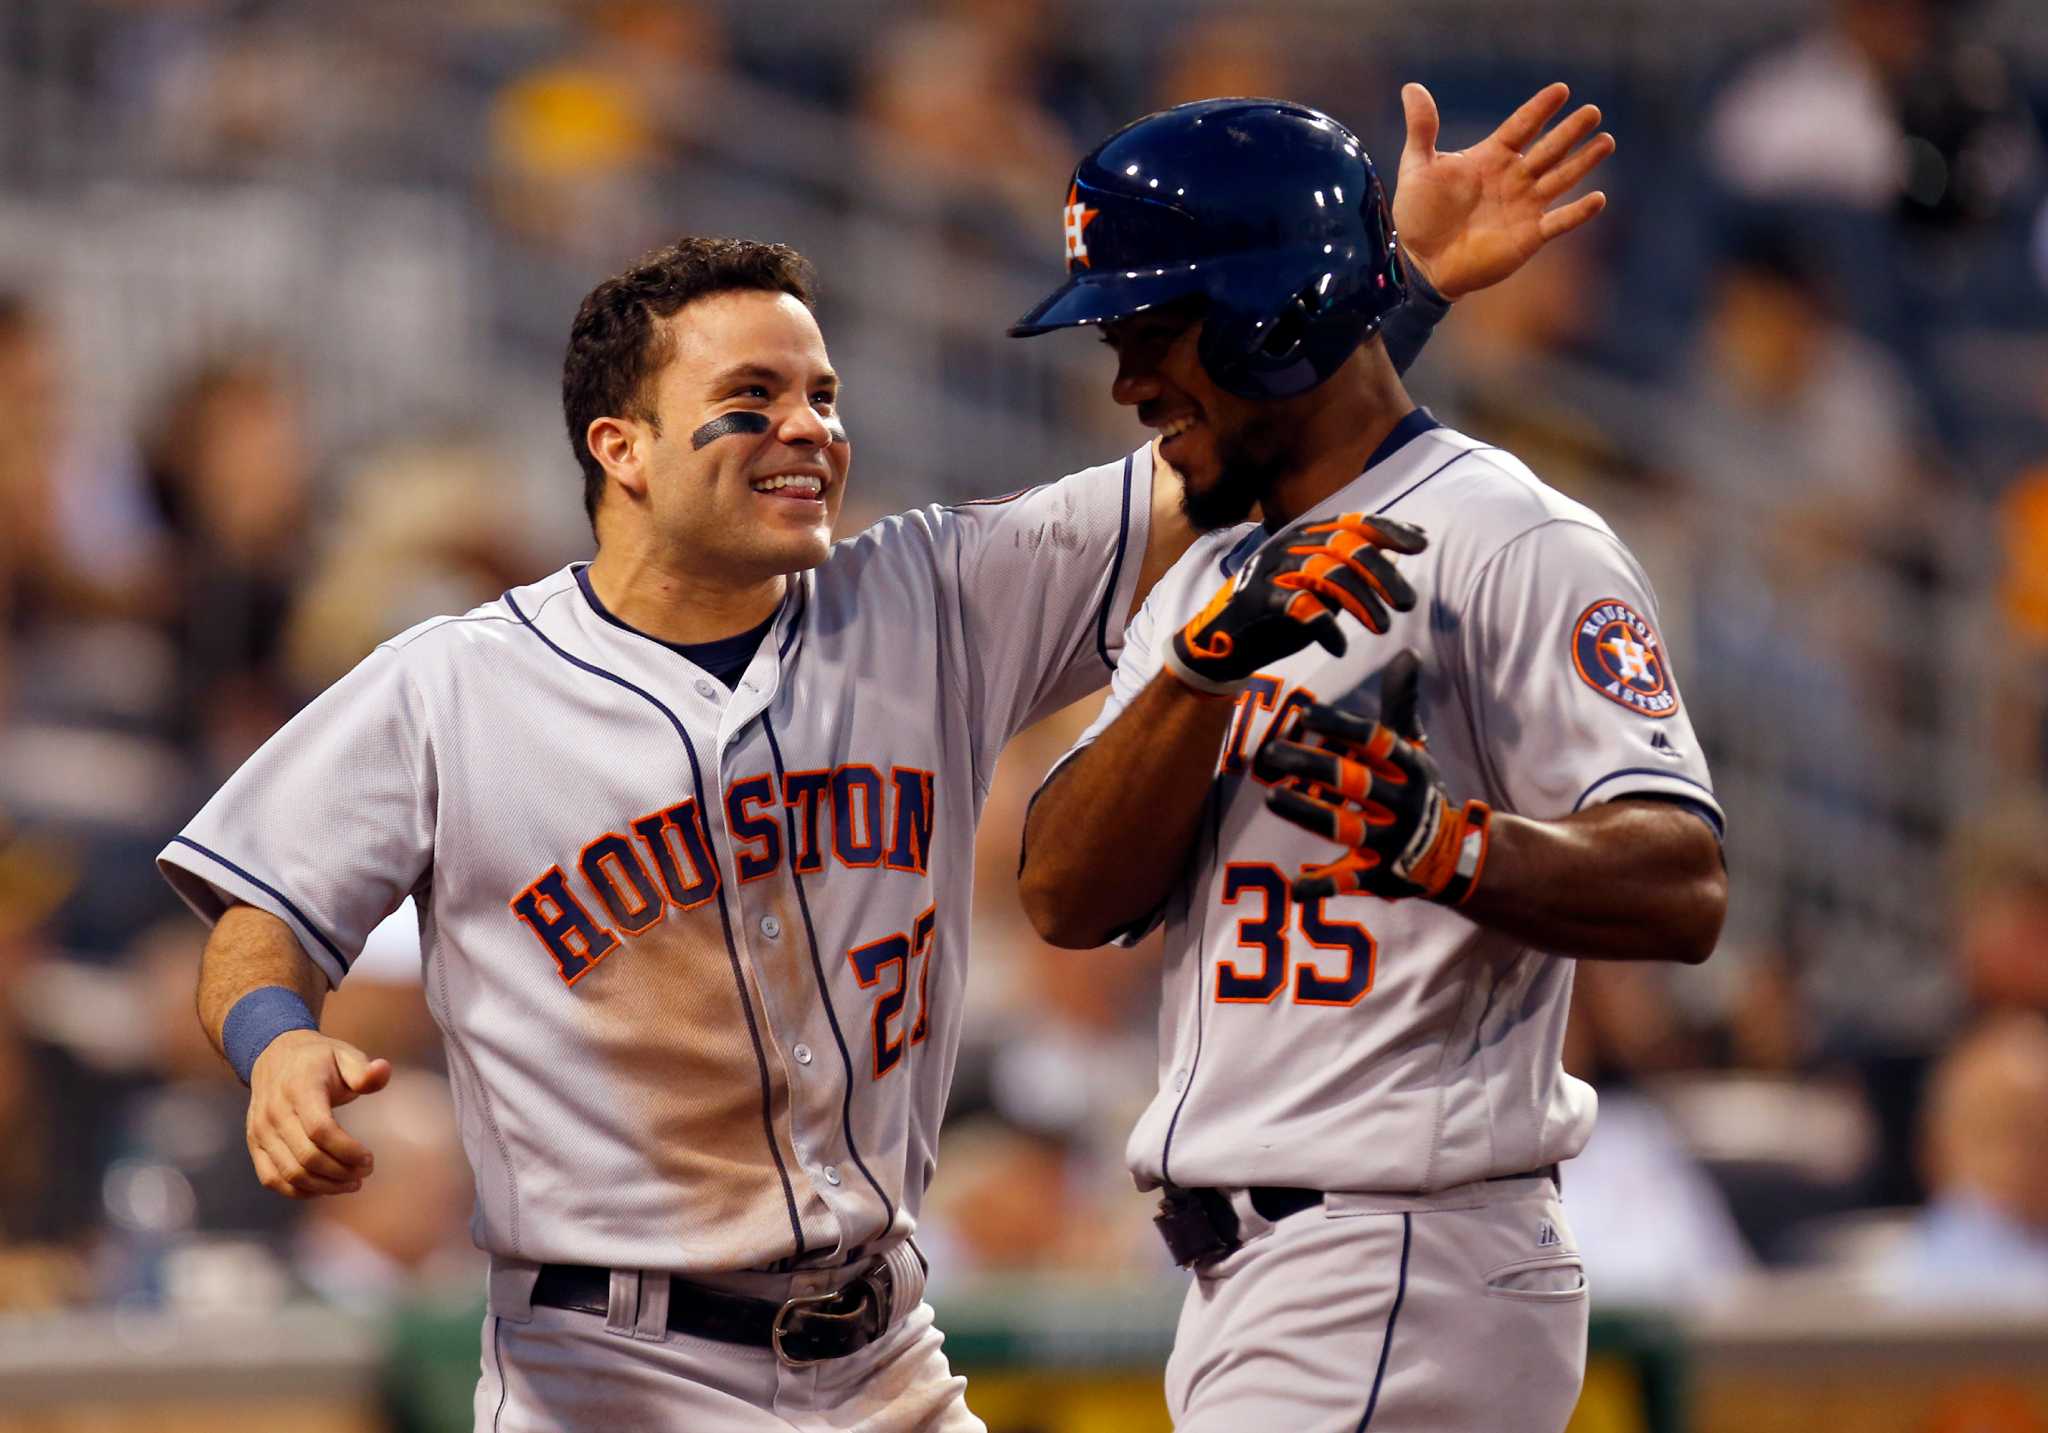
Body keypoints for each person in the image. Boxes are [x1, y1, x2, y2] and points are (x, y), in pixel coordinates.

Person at [155, 80, 1612, 1430]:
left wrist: (1379, 287)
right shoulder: (455, 688)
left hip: (887, 1361)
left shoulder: (928, 597)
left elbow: (1225, 455)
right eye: (750, 403)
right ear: (622, 448)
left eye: (824, 397)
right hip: (606, 1376)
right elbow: (257, 914)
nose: (808, 431)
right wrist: (275, 1045)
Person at [1014, 96, 1723, 1432]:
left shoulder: (1510, 539)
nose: (1126, 380)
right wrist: (1204, 665)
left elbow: (1682, 882)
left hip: (1403, 1249)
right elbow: (1063, 889)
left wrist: (1450, 845)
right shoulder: (1217, 575)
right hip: (1267, 1280)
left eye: (1151, 331)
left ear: (1274, 314)